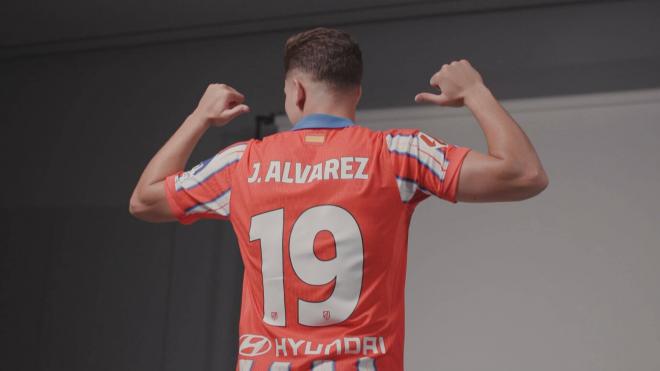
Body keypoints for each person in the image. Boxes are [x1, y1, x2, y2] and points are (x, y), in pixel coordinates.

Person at [129, 27, 548, 370]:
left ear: (296, 92)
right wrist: (474, 90)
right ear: (357, 93)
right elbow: (524, 174)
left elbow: (145, 201)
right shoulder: (398, 155)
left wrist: (199, 117)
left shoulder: (242, 164)